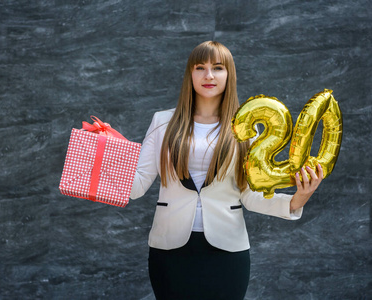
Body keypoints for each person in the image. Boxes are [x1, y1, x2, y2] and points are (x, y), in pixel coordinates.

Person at [129, 41, 323, 300]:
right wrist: (108, 149)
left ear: (228, 74)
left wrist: (297, 200)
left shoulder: (245, 130)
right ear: (190, 74)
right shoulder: (162, 122)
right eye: (201, 67)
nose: (209, 75)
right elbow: (137, 185)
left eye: (218, 68)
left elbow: (249, 195)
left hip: (227, 250)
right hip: (169, 249)